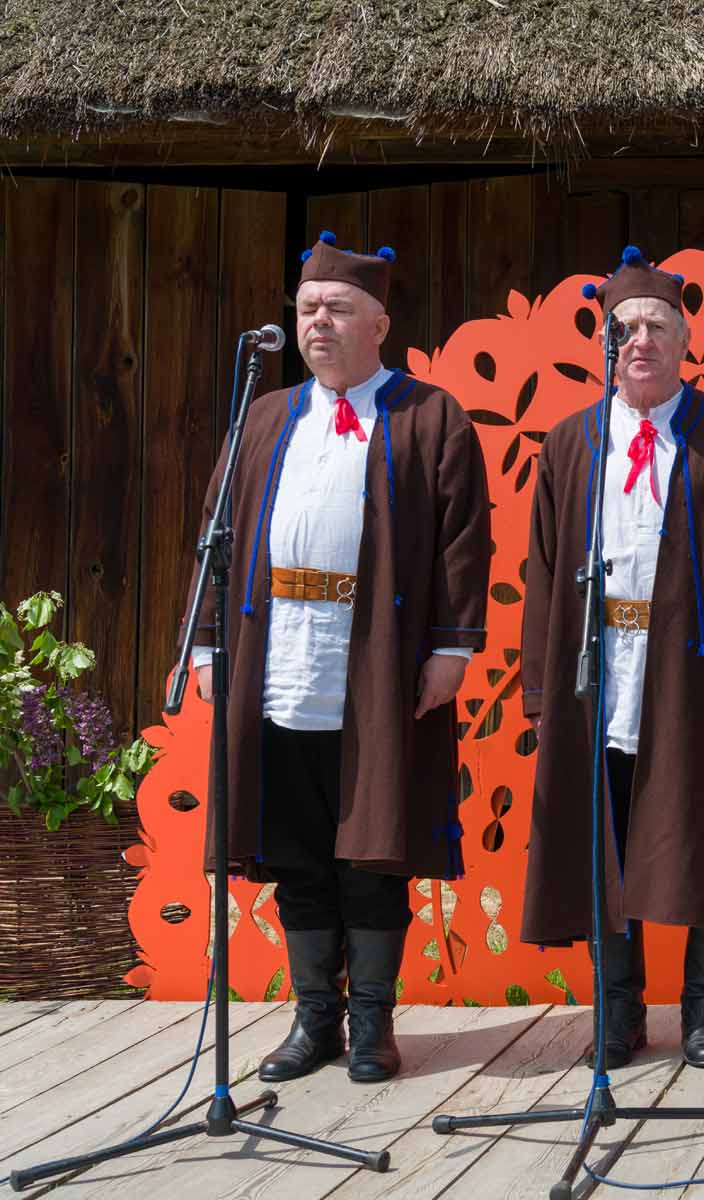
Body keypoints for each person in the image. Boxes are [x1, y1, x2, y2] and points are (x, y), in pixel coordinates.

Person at [192, 231, 491, 1084]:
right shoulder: (264, 415)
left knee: (371, 852)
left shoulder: (431, 415)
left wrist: (451, 648)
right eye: (307, 309)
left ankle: (372, 1027)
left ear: (379, 325)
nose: (318, 322)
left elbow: (463, 543)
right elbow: (216, 534)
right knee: (296, 853)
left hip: (377, 666)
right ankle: (314, 1019)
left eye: (337, 309)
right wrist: (208, 640)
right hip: (279, 661)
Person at [518, 247, 704, 1070]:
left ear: (684, 342)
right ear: (605, 343)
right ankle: (620, 1010)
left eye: (656, 327)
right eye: (624, 328)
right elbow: (541, 573)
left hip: (703, 676)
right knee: (605, 841)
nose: (638, 340)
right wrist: (541, 692)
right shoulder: (571, 442)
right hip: (600, 672)